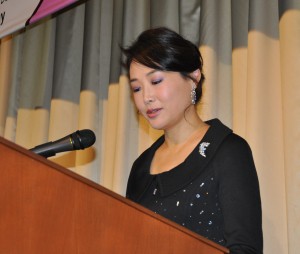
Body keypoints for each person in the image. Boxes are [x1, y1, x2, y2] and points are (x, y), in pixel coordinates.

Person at [122, 27, 263, 254]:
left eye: (156, 81)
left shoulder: (228, 151)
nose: (146, 97)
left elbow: (245, 248)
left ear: (193, 78)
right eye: (136, 88)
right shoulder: (141, 167)